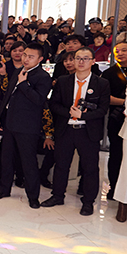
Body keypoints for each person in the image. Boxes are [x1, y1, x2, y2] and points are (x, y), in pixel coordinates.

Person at [42, 47, 110, 216]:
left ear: (93, 61)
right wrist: (69, 113)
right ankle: (57, 196)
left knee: (90, 168)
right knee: (61, 165)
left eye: (85, 58)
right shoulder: (63, 81)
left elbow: (103, 110)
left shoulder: (101, 83)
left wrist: (83, 116)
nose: (81, 62)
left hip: (88, 131)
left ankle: (88, 202)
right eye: (78, 58)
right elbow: (53, 104)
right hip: (66, 129)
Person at [0, 43, 53, 208]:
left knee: (28, 162)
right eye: (25, 55)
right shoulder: (19, 71)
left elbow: (39, 100)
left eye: (30, 56)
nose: (25, 58)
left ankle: (33, 196)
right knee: (6, 159)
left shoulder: (43, 77)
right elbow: (8, 95)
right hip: (10, 122)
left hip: (27, 126)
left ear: (40, 59)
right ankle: (4, 189)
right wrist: (0, 115)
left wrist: (24, 84)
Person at [102, 41, 127, 200]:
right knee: (116, 154)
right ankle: (113, 188)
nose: (120, 53)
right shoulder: (109, 73)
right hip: (117, 118)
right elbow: (105, 98)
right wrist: (125, 102)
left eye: (124, 50)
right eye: (117, 51)